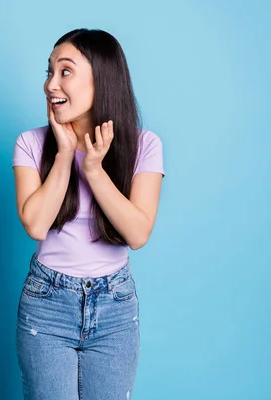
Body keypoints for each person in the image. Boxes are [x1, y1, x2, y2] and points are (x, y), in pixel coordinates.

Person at [13, 28, 164, 400]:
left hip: (114, 305)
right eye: (49, 72)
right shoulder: (30, 144)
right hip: (47, 303)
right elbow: (35, 224)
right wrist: (65, 154)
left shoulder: (145, 146)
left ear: (102, 79)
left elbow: (138, 233)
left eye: (65, 72)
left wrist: (95, 171)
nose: (51, 84)